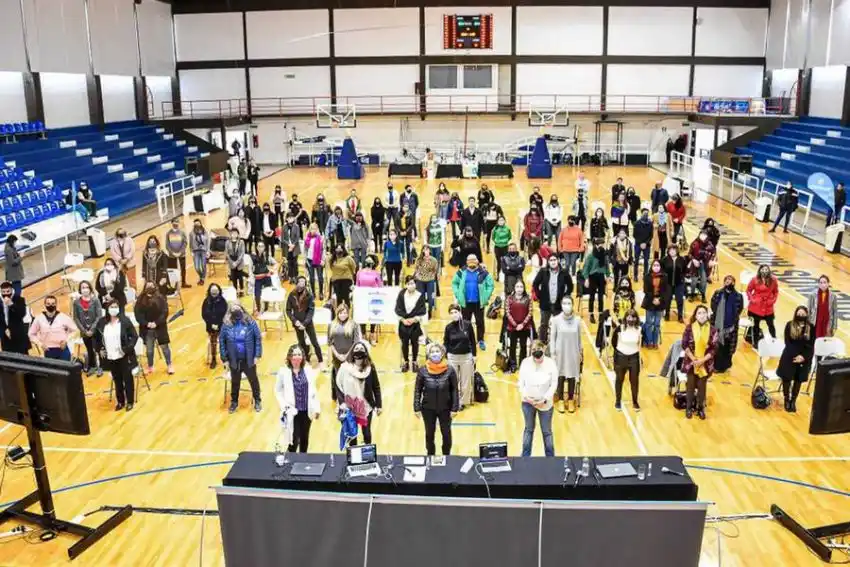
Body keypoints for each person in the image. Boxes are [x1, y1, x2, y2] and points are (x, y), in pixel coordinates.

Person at [413, 342, 459, 456]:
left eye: (437, 351)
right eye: (432, 352)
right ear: (428, 354)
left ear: (442, 353)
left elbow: (454, 390)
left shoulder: (450, 370)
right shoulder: (423, 370)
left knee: (446, 434)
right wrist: (416, 407)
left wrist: (454, 408)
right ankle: (430, 455)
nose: (435, 354)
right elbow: (417, 390)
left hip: (445, 408)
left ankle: (447, 456)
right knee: (429, 434)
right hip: (428, 408)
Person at [95, 299, 139, 411]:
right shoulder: (101, 323)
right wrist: (100, 349)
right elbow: (96, 339)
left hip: (124, 356)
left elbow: (134, 336)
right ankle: (120, 401)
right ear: (107, 309)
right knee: (117, 380)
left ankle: (130, 401)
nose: (113, 309)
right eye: (111, 306)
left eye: (116, 306)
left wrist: (126, 349)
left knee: (127, 379)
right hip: (110, 357)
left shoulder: (125, 321)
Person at [335, 341, 382, 445]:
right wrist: (342, 402)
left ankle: (367, 455)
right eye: (356, 349)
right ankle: (354, 457)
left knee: (367, 433)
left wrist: (379, 405)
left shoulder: (370, 368)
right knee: (352, 435)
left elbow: (376, 387)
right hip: (350, 407)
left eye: (361, 349)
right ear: (352, 351)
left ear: (365, 352)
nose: (359, 351)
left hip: (366, 406)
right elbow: (338, 386)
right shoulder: (344, 368)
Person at [276, 345, 320, 452]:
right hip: (292, 411)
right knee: (293, 440)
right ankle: (291, 461)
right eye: (294, 354)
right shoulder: (283, 372)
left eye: (299, 354)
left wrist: (317, 408)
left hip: (306, 410)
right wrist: (284, 405)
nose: (297, 357)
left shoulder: (308, 370)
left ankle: (303, 461)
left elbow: (313, 391)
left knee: (305, 438)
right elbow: (278, 391)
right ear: (290, 357)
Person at [220, 302, 263, 413]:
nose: (236, 311)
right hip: (234, 359)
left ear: (242, 309)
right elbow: (222, 342)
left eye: (237, 308)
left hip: (248, 359)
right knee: (235, 382)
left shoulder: (250, 322)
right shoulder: (226, 325)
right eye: (233, 309)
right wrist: (224, 359)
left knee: (253, 380)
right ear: (230, 312)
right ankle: (234, 402)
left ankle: (257, 400)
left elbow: (258, 338)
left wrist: (257, 355)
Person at [518, 340, 557, 457]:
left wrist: (544, 399)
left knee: (547, 432)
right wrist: (527, 398)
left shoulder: (551, 363)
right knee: (528, 430)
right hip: (527, 403)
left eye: (538, 351)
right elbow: (521, 383)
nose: (536, 354)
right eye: (533, 351)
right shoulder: (525, 363)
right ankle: (525, 458)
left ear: (543, 350)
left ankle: (551, 459)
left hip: (545, 404)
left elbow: (554, 383)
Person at [681, 305, 718, 420]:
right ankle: (688, 407)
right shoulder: (689, 328)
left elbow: (714, 348)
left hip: (705, 363)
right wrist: (694, 359)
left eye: (704, 313)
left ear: (707, 315)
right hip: (691, 362)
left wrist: (702, 360)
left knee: (702, 387)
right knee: (690, 386)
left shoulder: (713, 330)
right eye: (699, 313)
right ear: (695, 315)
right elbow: (685, 344)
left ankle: (700, 408)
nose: (702, 315)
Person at [451, 254, 494, 351]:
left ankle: (480, 340)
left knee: (480, 322)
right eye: (469, 260)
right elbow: (454, 283)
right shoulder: (461, 272)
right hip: (465, 303)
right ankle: (467, 340)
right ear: (466, 262)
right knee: (466, 322)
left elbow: (490, 285)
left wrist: (486, 296)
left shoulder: (483, 272)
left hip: (479, 302)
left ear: (477, 261)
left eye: (474, 260)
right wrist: (458, 294)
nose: (472, 262)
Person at [777, 306, 816, 413]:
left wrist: (802, 357)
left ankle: (793, 400)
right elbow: (787, 342)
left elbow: (811, 345)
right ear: (795, 314)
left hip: (804, 358)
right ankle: (786, 399)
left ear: (807, 315)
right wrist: (795, 356)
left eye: (803, 314)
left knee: (798, 380)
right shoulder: (789, 325)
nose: (801, 316)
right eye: (799, 314)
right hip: (790, 356)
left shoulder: (811, 327)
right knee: (787, 379)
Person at [549, 296, 582, 413]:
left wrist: (580, 352)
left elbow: (579, 338)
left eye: (569, 303)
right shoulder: (556, 320)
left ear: (573, 305)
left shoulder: (577, 320)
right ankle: (561, 400)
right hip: (560, 352)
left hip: (573, 352)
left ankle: (571, 399)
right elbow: (552, 338)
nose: (566, 305)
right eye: (564, 303)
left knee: (572, 375)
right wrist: (553, 353)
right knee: (561, 375)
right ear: (561, 305)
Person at [532, 254, 573, 343]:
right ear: (548, 262)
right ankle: (542, 343)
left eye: (555, 259)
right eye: (551, 260)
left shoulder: (564, 272)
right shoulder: (543, 271)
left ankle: (558, 343)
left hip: (558, 304)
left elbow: (570, 286)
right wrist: (539, 296)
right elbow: (535, 284)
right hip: (545, 304)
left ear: (558, 261)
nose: (553, 262)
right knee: (543, 325)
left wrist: (565, 296)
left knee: (559, 325)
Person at [135, 282, 174, 374]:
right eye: (147, 286)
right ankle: (150, 366)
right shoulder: (140, 300)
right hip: (147, 329)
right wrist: (147, 323)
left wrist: (156, 323)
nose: (149, 287)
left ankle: (169, 365)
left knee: (165, 347)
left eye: (151, 286)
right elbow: (138, 315)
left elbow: (164, 312)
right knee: (149, 350)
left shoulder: (160, 298)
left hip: (160, 327)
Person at [443, 303, 477, 409]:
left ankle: (462, 402)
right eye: (451, 313)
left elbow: (472, 340)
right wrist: (446, 355)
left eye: (455, 312)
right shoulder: (448, 327)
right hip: (452, 357)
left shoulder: (467, 325)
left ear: (460, 312)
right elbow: (446, 342)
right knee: (453, 381)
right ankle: (454, 401)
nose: (454, 314)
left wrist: (474, 355)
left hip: (466, 357)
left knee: (465, 382)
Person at [710, 275, 744, 373]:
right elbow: (713, 305)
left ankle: (725, 365)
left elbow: (739, 309)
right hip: (718, 324)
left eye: (730, 280)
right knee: (717, 345)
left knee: (728, 346)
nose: (728, 281)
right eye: (726, 279)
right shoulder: (718, 293)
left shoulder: (738, 296)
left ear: (734, 283)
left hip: (731, 326)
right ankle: (716, 365)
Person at [286, 275, 324, 364]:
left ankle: (321, 360)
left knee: (314, 341)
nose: (301, 283)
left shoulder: (309, 295)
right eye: (300, 281)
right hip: (297, 323)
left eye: (303, 281)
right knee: (301, 342)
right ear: (297, 283)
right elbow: (288, 310)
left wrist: (305, 323)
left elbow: (311, 310)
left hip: (307, 323)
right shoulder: (291, 295)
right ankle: (306, 359)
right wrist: (295, 321)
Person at [327, 304, 361, 402]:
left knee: (350, 378)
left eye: (345, 313)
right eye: (341, 313)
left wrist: (346, 355)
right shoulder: (332, 325)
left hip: (349, 356)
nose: (343, 315)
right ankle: (340, 401)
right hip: (337, 357)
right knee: (338, 378)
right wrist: (337, 355)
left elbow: (356, 342)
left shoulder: (353, 325)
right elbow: (330, 342)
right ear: (337, 313)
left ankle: (350, 399)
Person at [611, 309, 642, 411]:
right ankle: (618, 401)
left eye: (633, 317)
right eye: (629, 317)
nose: (631, 319)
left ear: (636, 319)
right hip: (621, 357)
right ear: (625, 318)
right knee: (619, 379)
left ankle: (635, 401)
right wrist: (618, 354)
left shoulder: (639, 329)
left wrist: (639, 357)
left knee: (634, 381)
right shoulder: (620, 328)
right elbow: (614, 342)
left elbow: (640, 344)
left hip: (634, 357)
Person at [28, 295, 75, 360]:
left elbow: (75, 330)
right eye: (48, 304)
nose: (51, 305)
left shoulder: (63, 317)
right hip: (48, 350)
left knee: (65, 369)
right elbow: (31, 334)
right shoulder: (39, 318)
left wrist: (66, 341)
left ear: (56, 304)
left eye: (53, 304)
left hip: (62, 349)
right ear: (45, 305)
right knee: (52, 369)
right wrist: (40, 344)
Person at [396, 275, 427, 373]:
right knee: (404, 344)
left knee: (415, 343)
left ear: (415, 284)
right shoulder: (401, 294)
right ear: (406, 284)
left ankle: (414, 362)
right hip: (404, 323)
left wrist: (414, 319)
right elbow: (398, 309)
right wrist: (403, 320)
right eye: (409, 284)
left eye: (412, 283)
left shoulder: (420, 295)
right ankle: (406, 362)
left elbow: (422, 310)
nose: (411, 285)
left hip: (415, 323)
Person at [73, 281, 103, 375]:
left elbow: (99, 316)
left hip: (95, 330)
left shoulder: (95, 301)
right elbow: (76, 317)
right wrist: (84, 330)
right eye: (83, 287)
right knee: (89, 349)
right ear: (80, 290)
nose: (85, 289)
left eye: (87, 287)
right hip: (84, 331)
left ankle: (101, 367)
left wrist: (92, 329)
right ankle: (93, 366)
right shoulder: (76, 302)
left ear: (90, 289)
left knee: (98, 349)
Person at [504, 281, 532, 373]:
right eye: (517, 286)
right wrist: (515, 325)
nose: (519, 289)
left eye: (521, 287)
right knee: (512, 346)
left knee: (523, 346)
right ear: (514, 288)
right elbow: (507, 313)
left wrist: (522, 324)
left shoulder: (528, 299)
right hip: (513, 327)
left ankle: (522, 364)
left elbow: (530, 313)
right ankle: (513, 364)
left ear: (524, 288)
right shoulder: (509, 299)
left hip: (524, 327)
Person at [746, 265, 779, 341]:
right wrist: (752, 300)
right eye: (763, 269)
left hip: (768, 306)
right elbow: (748, 290)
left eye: (766, 269)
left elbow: (776, 292)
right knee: (756, 325)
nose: (764, 271)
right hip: (756, 306)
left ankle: (774, 339)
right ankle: (756, 341)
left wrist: (773, 301)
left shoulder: (773, 280)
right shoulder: (754, 279)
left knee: (770, 324)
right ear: (760, 270)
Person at [642, 259, 669, 350]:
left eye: (658, 265)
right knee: (649, 324)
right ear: (652, 266)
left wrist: (659, 299)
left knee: (657, 324)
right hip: (650, 301)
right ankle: (649, 341)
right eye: (654, 265)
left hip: (660, 302)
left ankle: (655, 342)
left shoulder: (665, 276)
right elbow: (646, 290)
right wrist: (653, 299)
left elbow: (666, 290)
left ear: (660, 267)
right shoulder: (647, 276)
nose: (656, 267)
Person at [581, 239, 610, 324]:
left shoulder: (604, 255)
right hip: (592, 277)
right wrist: (586, 279)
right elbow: (586, 268)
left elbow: (606, 266)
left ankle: (601, 313)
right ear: (596, 245)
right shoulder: (591, 256)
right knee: (592, 296)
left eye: (603, 245)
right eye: (600, 244)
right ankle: (591, 314)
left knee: (601, 296)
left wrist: (608, 275)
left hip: (601, 276)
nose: (602, 246)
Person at [355, 257, 382, 344]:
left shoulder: (376, 273)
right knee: (362, 316)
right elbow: (357, 285)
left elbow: (380, 286)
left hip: (373, 298)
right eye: (367, 261)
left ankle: (372, 334)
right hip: (362, 297)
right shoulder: (359, 272)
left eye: (370, 261)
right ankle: (363, 334)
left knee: (373, 315)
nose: (369, 263)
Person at [202, 283, 227, 369]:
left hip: (221, 325)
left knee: (224, 340)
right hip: (211, 326)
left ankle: (225, 359)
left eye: (216, 291)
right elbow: (204, 315)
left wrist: (219, 325)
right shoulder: (206, 301)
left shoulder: (223, 301)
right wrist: (212, 324)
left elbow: (225, 314)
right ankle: (213, 359)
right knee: (213, 341)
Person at [0, 281, 29, 354]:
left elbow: (22, 314)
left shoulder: (19, 299)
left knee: (24, 360)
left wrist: (11, 304)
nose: (6, 294)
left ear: (11, 290)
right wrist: (4, 330)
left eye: (8, 291)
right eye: (3, 292)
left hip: (19, 336)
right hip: (5, 338)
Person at [687, 230, 715, 303]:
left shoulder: (710, 245)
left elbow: (713, 253)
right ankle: (692, 294)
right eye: (702, 234)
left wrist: (711, 260)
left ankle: (703, 295)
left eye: (705, 235)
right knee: (694, 280)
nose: (703, 236)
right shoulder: (694, 243)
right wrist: (693, 260)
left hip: (704, 265)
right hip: (695, 264)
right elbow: (689, 254)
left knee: (704, 280)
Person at [808, 275, 838, 339]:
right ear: (818, 284)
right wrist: (808, 325)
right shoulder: (812, 295)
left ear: (828, 283)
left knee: (826, 343)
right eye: (821, 283)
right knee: (815, 342)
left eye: (825, 282)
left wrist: (834, 326)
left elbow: (835, 312)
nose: (823, 284)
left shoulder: (833, 296)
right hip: (815, 323)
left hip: (828, 324)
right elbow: (809, 309)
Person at [662, 244, 686, 322]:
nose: (672, 252)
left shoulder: (682, 259)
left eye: (674, 250)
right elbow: (661, 271)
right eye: (670, 250)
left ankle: (680, 316)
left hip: (679, 283)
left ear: (677, 251)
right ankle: (667, 314)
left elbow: (685, 270)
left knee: (679, 300)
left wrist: (682, 277)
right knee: (667, 299)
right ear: (668, 251)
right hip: (668, 283)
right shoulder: (664, 260)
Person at [164, 218, 191, 288]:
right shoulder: (168, 233)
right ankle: (175, 285)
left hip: (181, 254)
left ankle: (183, 283)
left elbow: (185, 243)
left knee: (183, 269)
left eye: (177, 222)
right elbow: (167, 245)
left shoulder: (182, 232)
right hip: (172, 255)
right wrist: (172, 253)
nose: (176, 224)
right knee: (174, 270)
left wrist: (180, 252)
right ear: (172, 223)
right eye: (174, 222)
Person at [251, 241, 277, 313]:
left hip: (266, 278)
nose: (260, 247)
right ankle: (259, 309)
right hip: (258, 279)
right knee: (257, 295)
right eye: (259, 246)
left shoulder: (267, 257)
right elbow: (250, 268)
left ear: (264, 248)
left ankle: (265, 308)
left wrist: (272, 269)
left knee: (267, 293)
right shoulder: (253, 257)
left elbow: (275, 264)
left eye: (262, 246)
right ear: (256, 247)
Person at [414, 245, 439, 316]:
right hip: (420, 280)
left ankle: (430, 311)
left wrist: (431, 275)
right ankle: (421, 310)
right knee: (420, 296)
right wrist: (418, 275)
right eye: (425, 250)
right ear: (422, 251)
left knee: (430, 296)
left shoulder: (434, 260)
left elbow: (435, 270)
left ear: (429, 251)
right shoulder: (419, 259)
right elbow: (416, 269)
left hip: (430, 279)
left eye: (427, 250)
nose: (426, 251)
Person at [189, 219, 210, 286]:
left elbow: (208, 242)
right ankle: (201, 276)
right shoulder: (191, 233)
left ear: (200, 224)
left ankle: (202, 279)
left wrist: (208, 251)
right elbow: (190, 243)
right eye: (195, 224)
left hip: (203, 250)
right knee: (197, 267)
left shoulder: (205, 232)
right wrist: (191, 251)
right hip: (196, 251)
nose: (197, 225)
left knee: (203, 266)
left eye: (198, 223)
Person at [225, 229, 247, 296]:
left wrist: (236, 262)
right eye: (232, 233)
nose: (234, 235)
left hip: (239, 261)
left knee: (240, 277)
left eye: (235, 233)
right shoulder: (227, 242)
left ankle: (241, 290)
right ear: (230, 234)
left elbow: (242, 253)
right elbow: (226, 253)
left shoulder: (241, 242)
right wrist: (232, 262)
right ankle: (235, 291)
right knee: (233, 277)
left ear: (238, 234)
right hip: (231, 260)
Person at [633, 209, 653, 279]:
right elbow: (634, 235)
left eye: (647, 214)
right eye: (644, 213)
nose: (645, 215)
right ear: (641, 214)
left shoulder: (650, 223)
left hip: (647, 245)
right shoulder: (636, 223)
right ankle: (635, 275)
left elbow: (651, 235)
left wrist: (645, 243)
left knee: (646, 261)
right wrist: (641, 243)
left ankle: (645, 275)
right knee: (636, 260)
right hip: (638, 244)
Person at [281, 214, 302, 282]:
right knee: (289, 263)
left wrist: (293, 245)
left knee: (295, 263)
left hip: (295, 247)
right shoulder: (284, 227)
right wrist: (289, 245)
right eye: (289, 217)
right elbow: (282, 238)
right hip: (287, 248)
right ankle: (290, 277)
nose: (290, 218)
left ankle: (295, 276)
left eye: (292, 217)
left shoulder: (297, 226)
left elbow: (298, 237)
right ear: (286, 219)